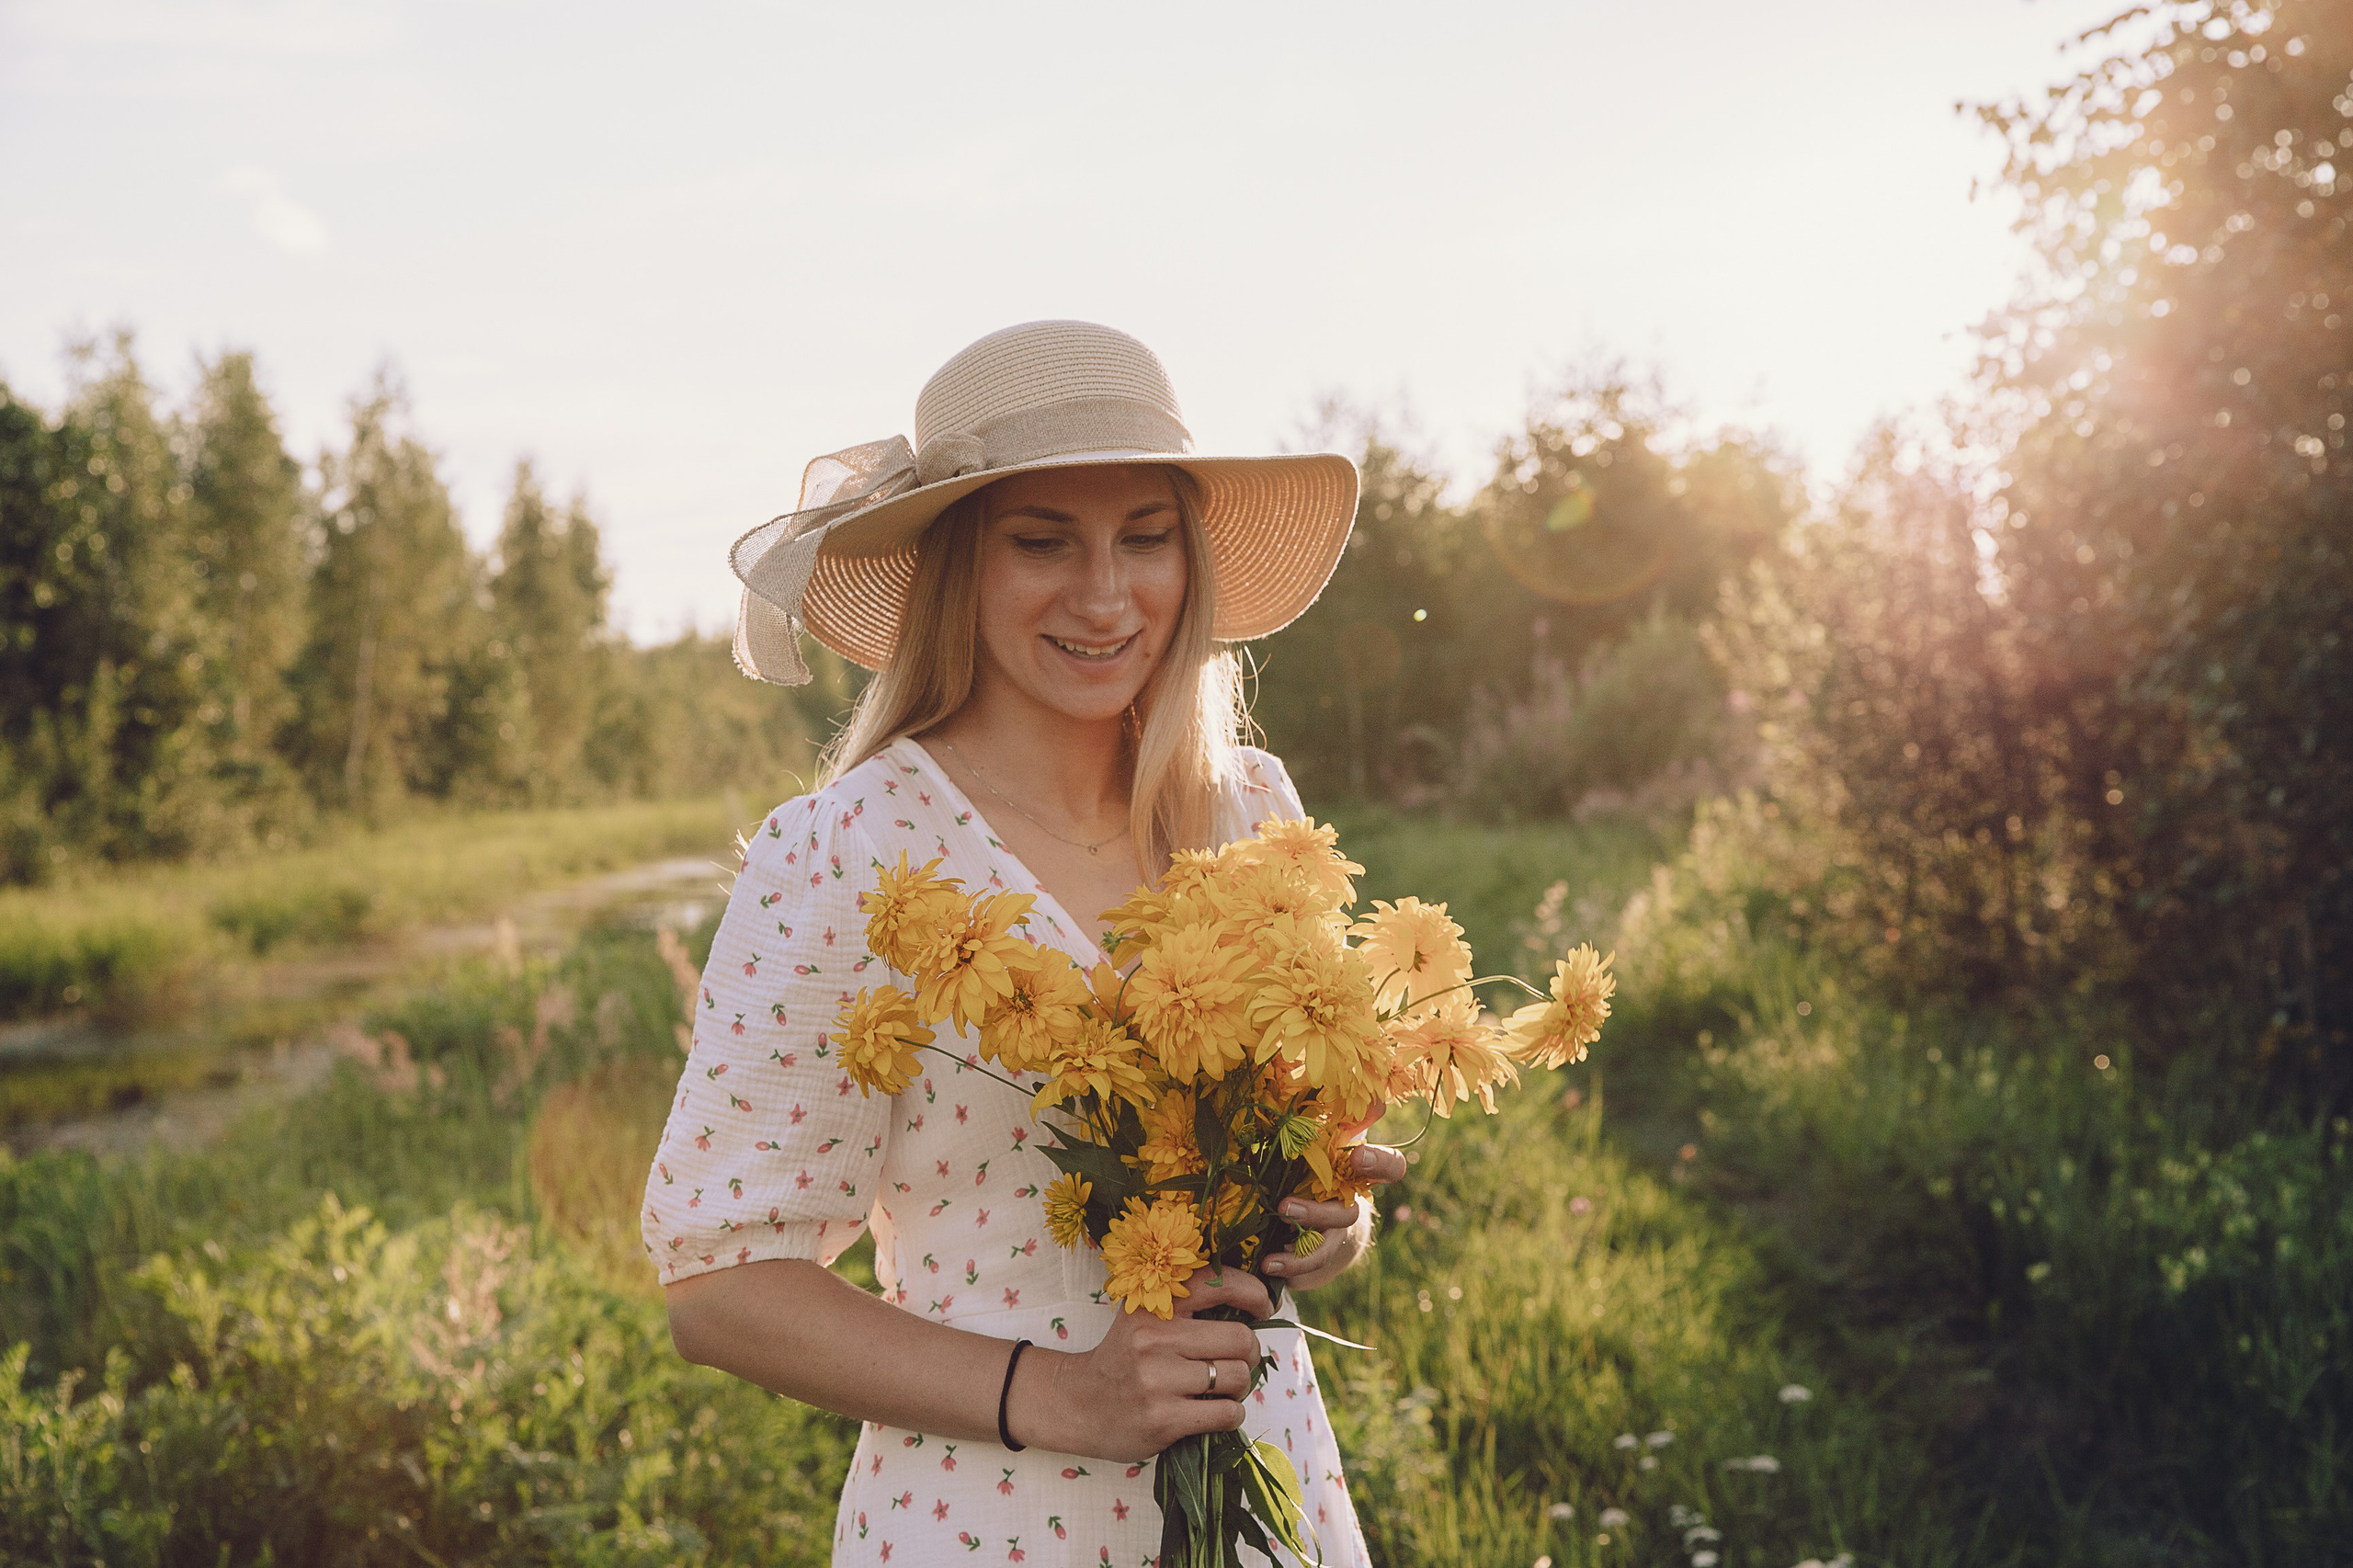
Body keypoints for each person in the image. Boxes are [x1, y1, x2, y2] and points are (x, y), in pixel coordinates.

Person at [643, 320, 1404, 1567]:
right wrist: (1057, 1394)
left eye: (1143, 537)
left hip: (1265, 1491)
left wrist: (1323, 1217)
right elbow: (721, 1283)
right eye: (1043, 541)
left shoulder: (1249, 810)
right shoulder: (844, 854)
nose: (1105, 594)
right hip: (986, 1519)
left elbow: (1302, 1156)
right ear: (959, 570)